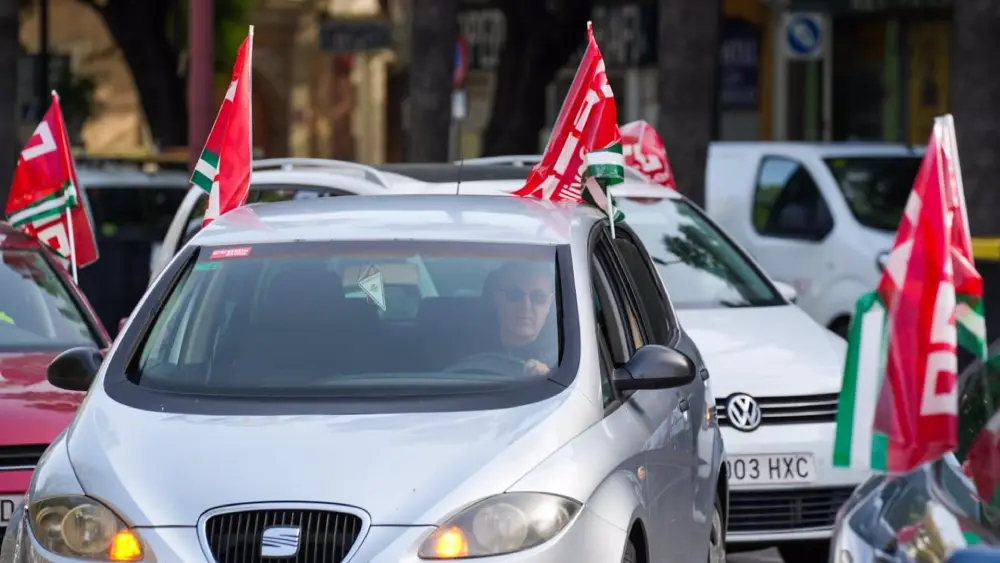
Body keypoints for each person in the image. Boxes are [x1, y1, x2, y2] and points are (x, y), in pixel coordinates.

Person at [489, 261, 557, 376]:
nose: (526, 306)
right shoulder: (465, 345)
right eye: (515, 294)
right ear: (497, 298)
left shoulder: (565, 364)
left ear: (550, 303)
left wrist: (547, 379)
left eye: (538, 297)